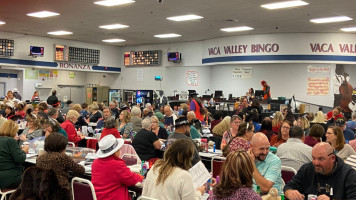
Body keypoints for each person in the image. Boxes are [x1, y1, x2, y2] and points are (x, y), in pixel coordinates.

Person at [284, 142, 356, 200]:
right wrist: (290, 193)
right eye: (313, 158)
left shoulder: (349, 174)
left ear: (333, 158)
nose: (315, 163)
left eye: (321, 159)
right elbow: (289, 186)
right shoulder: (307, 169)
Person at [92, 135, 143, 200]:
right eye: (119, 149)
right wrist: (140, 177)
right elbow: (132, 179)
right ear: (115, 152)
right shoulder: (117, 165)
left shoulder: (95, 163)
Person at [0, 120, 28, 189]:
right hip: (10, 178)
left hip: (2, 176)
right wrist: (24, 151)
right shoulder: (10, 141)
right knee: (34, 179)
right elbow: (20, 159)